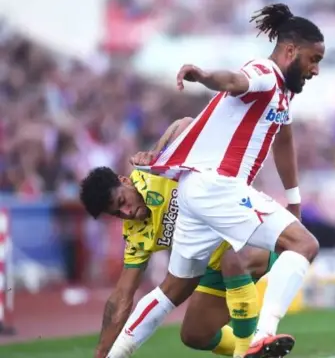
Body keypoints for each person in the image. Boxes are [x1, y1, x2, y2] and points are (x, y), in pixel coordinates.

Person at [108, 3, 324, 358]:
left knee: (173, 288)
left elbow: (282, 141)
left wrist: (294, 198)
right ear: (290, 51)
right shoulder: (265, 72)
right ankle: (262, 335)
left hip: (196, 192)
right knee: (304, 245)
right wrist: (204, 76)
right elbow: (234, 82)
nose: (316, 70)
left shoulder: (282, 95)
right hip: (218, 186)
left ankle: (116, 355)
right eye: (313, 59)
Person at [80, 118, 277, 358]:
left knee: (231, 260)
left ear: (124, 181)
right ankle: (260, 349)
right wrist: (101, 351)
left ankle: (248, 351)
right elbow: (122, 296)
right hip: (215, 265)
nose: (127, 213)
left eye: (122, 202)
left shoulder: (155, 171)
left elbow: (186, 123)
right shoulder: (136, 235)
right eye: (116, 213)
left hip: (247, 234)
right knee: (194, 335)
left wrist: (156, 152)